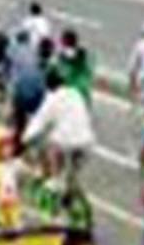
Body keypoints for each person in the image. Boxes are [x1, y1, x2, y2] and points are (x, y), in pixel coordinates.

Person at [24, 70, 96, 200]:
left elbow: (38, 123)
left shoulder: (51, 99)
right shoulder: (76, 93)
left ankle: (55, 183)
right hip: (87, 142)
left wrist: (25, 139)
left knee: (51, 148)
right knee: (73, 173)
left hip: (65, 144)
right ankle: (71, 188)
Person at [51, 30, 95, 108]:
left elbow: (59, 76)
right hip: (84, 92)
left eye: (62, 40)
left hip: (72, 95)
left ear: (65, 41)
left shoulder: (62, 58)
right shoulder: (83, 54)